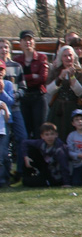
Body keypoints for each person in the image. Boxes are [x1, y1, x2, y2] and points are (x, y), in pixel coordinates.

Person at [45, 44, 82, 140]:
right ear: (61, 57)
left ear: (74, 57)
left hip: (74, 107)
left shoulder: (80, 73)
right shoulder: (55, 71)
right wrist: (60, 78)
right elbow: (49, 90)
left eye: (70, 55)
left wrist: (72, 77)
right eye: (65, 56)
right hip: (58, 109)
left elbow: (80, 93)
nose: (68, 58)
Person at [0, 38, 28, 183]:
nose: (3, 50)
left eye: (6, 47)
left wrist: (13, 96)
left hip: (14, 108)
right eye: (0, 47)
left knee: (22, 137)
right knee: (3, 143)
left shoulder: (16, 66)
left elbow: (23, 88)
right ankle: (4, 174)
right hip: (1, 113)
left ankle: (20, 171)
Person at [14, 30, 49, 139]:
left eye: (30, 39)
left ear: (34, 42)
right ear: (20, 43)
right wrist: (33, 76)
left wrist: (25, 79)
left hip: (38, 97)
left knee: (40, 129)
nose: (27, 42)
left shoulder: (42, 57)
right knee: (25, 130)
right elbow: (16, 80)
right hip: (23, 98)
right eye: (24, 40)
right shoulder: (17, 60)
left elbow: (43, 78)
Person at [21, 121, 71, 188]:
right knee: (31, 150)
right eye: (47, 135)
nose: (50, 137)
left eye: (52, 134)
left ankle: (46, 181)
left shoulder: (59, 150)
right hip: (46, 168)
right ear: (42, 136)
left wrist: (66, 183)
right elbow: (25, 142)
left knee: (28, 182)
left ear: (56, 135)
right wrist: (26, 156)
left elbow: (64, 166)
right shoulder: (42, 143)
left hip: (55, 174)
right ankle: (27, 174)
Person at [0, 63, 13, 188]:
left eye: (1, 69)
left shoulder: (8, 84)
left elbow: (11, 101)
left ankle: (4, 179)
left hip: (3, 125)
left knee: (4, 153)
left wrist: (2, 91)